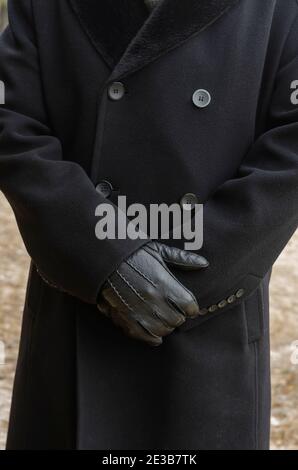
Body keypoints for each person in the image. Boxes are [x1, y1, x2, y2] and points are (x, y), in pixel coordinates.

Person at [0, 0, 297, 450]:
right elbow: (12, 125)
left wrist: (193, 278)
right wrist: (104, 258)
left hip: (206, 318)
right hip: (79, 302)